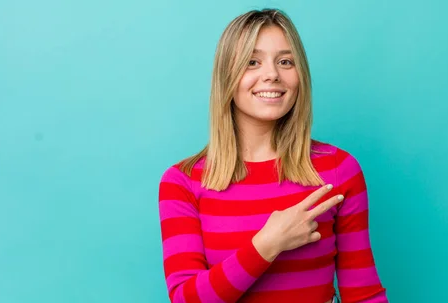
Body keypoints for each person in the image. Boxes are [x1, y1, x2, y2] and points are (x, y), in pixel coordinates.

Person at [158, 8, 388, 303]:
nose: (272, 75)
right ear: (227, 75)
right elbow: (186, 299)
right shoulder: (182, 182)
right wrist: (268, 244)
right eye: (252, 62)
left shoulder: (338, 169)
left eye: (285, 61)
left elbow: (364, 294)